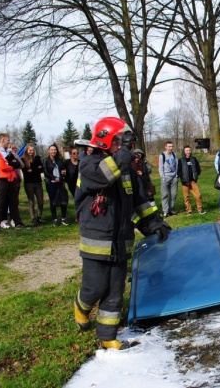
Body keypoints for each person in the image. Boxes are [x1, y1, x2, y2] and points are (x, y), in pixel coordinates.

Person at [73, 117, 170, 350]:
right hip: (98, 240)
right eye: (119, 141)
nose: (123, 146)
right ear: (106, 140)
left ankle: (107, 336)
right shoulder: (89, 164)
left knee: (115, 291)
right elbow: (106, 175)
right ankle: (81, 306)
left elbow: (140, 202)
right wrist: (125, 152)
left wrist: (154, 223)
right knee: (95, 287)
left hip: (121, 241)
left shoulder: (125, 169)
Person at [0, 133, 28, 232]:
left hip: (12, 179)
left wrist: (12, 162)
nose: (9, 142)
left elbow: (18, 164)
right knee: (1, 202)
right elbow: (2, 167)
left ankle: (17, 222)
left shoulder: (8, 152)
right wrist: (12, 166)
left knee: (14, 202)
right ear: (2, 140)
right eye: (8, 140)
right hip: (1, 180)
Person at [43, 144, 70, 226]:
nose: (53, 151)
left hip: (60, 183)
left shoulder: (60, 160)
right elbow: (46, 172)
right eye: (52, 150)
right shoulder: (46, 161)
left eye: (55, 149)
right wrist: (54, 178)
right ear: (48, 151)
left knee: (63, 200)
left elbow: (63, 170)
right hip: (51, 183)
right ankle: (55, 219)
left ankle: (64, 218)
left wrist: (62, 176)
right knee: (53, 201)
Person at [21, 143, 46, 226]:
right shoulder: (23, 159)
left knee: (41, 201)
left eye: (33, 150)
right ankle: (33, 218)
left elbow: (42, 169)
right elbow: (26, 172)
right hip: (29, 183)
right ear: (27, 151)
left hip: (38, 182)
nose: (31, 152)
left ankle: (39, 216)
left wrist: (33, 170)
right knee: (31, 201)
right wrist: (36, 169)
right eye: (30, 150)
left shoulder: (37, 158)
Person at [177, 145, 205, 215]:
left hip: (193, 181)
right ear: (184, 151)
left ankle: (200, 209)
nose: (188, 152)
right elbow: (179, 171)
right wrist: (182, 178)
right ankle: (189, 210)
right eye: (187, 150)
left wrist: (196, 175)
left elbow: (198, 169)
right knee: (186, 197)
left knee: (198, 195)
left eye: (189, 150)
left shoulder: (194, 159)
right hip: (185, 182)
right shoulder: (180, 160)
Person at [158, 141, 178, 217]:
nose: (171, 148)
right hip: (165, 177)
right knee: (165, 195)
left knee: (173, 195)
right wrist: (163, 177)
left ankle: (171, 210)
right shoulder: (162, 156)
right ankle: (165, 211)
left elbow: (177, 165)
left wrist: (176, 175)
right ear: (165, 147)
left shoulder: (174, 154)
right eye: (169, 146)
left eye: (172, 146)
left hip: (174, 177)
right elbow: (160, 168)